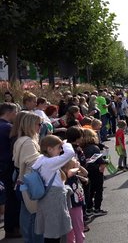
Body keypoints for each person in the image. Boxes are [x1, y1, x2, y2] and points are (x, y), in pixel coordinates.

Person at [32, 136, 75, 242]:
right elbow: (70, 154)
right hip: (53, 198)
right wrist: (65, 143)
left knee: (51, 230)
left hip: (47, 198)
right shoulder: (49, 163)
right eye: (58, 148)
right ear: (49, 149)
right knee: (54, 232)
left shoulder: (42, 159)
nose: (61, 150)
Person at [12, 112, 44, 243]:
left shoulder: (22, 140)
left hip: (22, 182)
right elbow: (34, 163)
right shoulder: (28, 142)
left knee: (27, 215)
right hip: (30, 184)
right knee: (34, 217)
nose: (41, 127)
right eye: (39, 124)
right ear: (31, 125)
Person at [0, 103, 21, 238]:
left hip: (2, 166)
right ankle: (12, 228)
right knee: (12, 198)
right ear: (9, 112)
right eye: (15, 112)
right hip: (8, 166)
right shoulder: (9, 128)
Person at [81, 129, 109, 216]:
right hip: (97, 170)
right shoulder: (94, 148)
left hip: (87, 171)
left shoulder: (82, 148)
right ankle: (97, 208)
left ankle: (89, 208)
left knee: (90, 190)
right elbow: (100, 160)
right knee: (98, 190)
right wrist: (106, 160)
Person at [63, 156, 88, 243]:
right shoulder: (66, 176)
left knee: (78, 227)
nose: (76, 169)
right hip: (73, 205)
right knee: (75, 229)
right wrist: (76, 167)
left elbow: (85, 173)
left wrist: (79, 166)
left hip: (77, 204)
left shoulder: (74, 174)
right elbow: (69, 172)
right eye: (73, 167)